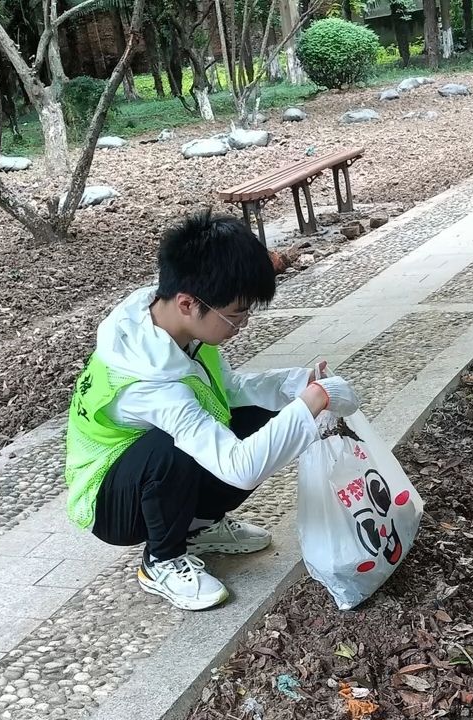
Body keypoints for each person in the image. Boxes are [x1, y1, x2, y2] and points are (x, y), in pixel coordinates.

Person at [64, 211, 361, 611]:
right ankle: (162, 560)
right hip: (110, 501)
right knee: (169, 447)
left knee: (259, 414)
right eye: (236, 314)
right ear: (188, 303)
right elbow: (240, 467)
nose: (243, 324)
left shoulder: (172, 323)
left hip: (147, 473)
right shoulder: (147, 381)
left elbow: (227, 390)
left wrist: (295, 384)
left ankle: (198, 526)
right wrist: (310, 405)